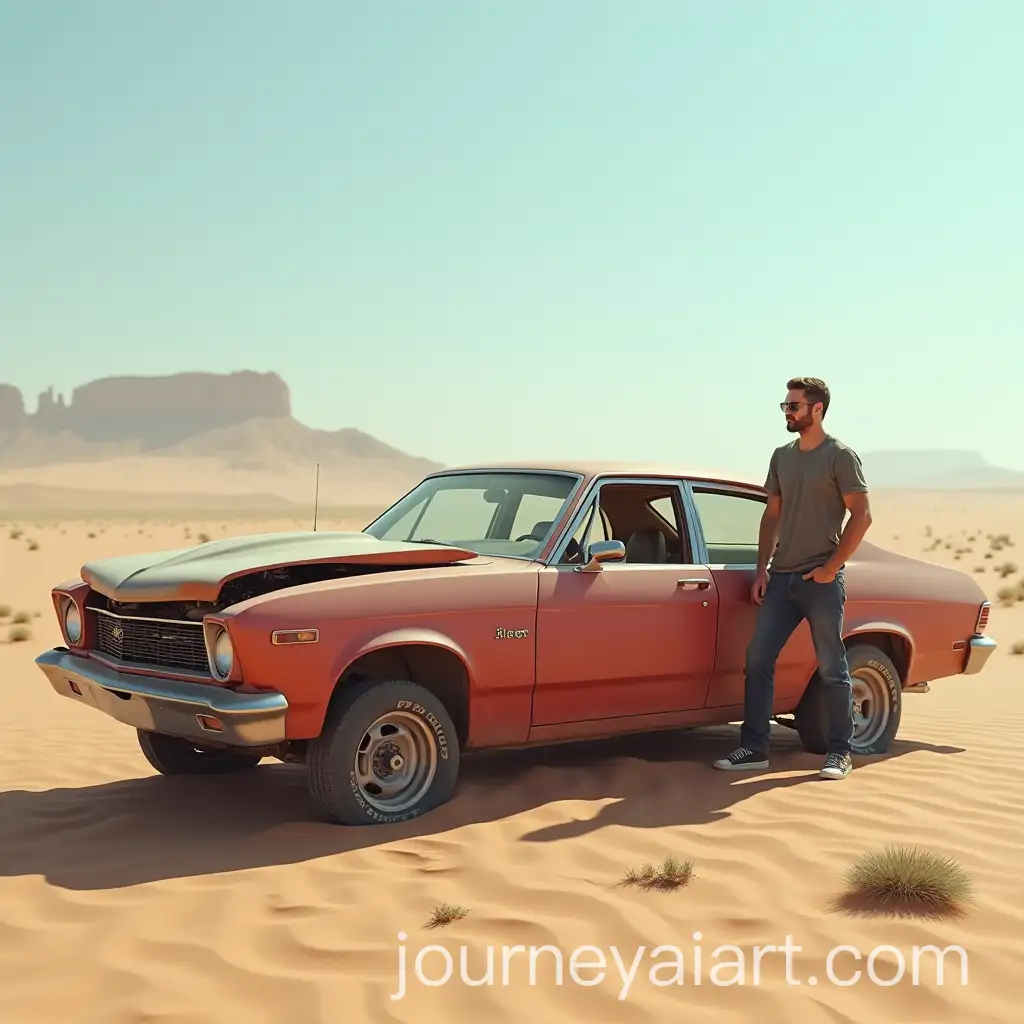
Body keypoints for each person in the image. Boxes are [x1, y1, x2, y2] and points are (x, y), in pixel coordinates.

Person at [713, 376, 872, 780]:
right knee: (758, 659)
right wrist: (761, 569)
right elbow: (772, 516)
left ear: (817, 409)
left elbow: (862, 516)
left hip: (821, 582)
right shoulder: (781, 456)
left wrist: (831, 568)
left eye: (794, 406)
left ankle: (840, 752)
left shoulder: (840, 456)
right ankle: (754, 748)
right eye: (785, 406)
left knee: (832, 667)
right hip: (781, 579)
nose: (787, 412)